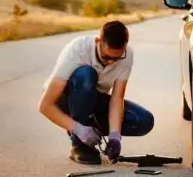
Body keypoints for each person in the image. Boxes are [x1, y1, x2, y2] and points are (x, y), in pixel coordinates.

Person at [38, 20, 154, 165]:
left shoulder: (127, 55)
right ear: (97, 41)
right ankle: (79, 144)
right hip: (65, 99)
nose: (111, 62)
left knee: (143, 121)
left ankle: (90, 129)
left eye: (117, 58)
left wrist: (115, 136)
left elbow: (117, 98)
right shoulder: (78, 49)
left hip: (94, 100)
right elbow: (45, 106)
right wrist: (78, 129)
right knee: (86, 75)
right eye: (106, 57)